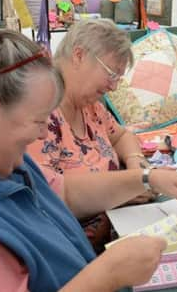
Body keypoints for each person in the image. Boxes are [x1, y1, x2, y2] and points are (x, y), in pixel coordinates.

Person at [0, 30, 177, 291]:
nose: (44, 132)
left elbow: (65, 192)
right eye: (38, 120)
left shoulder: (1, 162)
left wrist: (146, 178)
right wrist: (107, 274)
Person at [27, 19, 150, 250]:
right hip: (74, 248)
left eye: (118, 79)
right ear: (79, 55)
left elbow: (122, 137)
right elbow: (48, 195)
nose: (113, 87)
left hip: (117, 226)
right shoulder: (40, 116)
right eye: (111, 74)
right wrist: (124, 187)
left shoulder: (90, 107)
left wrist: (135, 164)